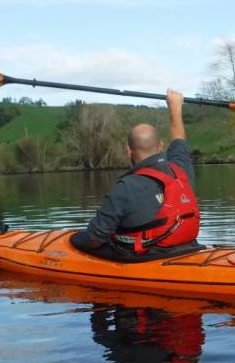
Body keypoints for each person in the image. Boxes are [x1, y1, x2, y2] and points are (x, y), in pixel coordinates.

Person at [70, 89, 200, 262]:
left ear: (128, 151)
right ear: (161, 146)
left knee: (78, 239)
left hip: (149, 256)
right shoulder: (181, 169)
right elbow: (179, 139)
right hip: (187, 247)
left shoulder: (125, 187)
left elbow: (94, 240)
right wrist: (175, 108)